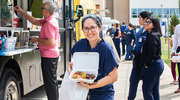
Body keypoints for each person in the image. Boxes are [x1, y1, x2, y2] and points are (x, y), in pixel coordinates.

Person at [14, 1, 59, 100]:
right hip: (50, 55)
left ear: (47, 11)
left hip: (49, 56)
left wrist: (37, 39)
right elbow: (34, 21)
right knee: (52, 82)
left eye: (42, 9)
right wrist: (21, 11)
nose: (41, 10)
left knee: (50, 83)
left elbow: (50, 42)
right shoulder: (48, 20)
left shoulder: (49, 23)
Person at [67, 14, 119, 100]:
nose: (89, 32)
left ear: (100, 28)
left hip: (102, 93)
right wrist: (71, 68)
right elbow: (74, 63)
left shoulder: (106, 48)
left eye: (93, 27)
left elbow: (114, 76)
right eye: (86, 28)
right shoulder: (80, 44)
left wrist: (93, 85)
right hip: (82, 91)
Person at [128, 11, 151, 100]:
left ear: (145, 19)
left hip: (145, 60)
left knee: (146, 86)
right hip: (137, 59)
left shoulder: (150, 31)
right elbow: (137, 44)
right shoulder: (141, 30)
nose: (138, 19)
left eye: (140, 18)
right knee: (133, 81)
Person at [141, 16, 164, 100]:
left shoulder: (152, 36)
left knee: (147, 89)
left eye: (148, 22)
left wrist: (147, 64)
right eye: (146, 22)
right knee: (154, 90)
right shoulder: (152, 35)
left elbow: (152, 53)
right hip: (156, 64)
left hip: (153, 65)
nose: (146, 23)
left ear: (154, 25)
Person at [172, 24, 180, 93]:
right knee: (179, 69)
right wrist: (173, 51)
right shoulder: (178, 27)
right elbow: (175, 40)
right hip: (179, 49)